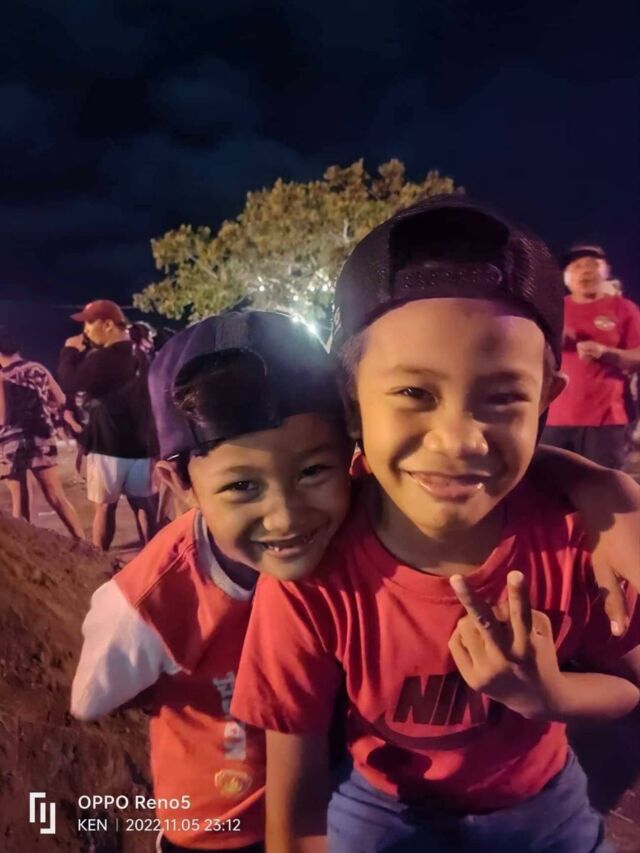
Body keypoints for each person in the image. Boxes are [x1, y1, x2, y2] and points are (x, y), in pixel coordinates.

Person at [230, 197, 640, 853]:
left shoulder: (573, 536)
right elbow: (296, 801)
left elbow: (627, 685)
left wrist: (551, 694)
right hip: (385, 808)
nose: (458, 440)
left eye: (503, 397)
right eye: (414, 393)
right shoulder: (313, 569)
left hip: (545, 804)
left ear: (545, 400)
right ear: (350, 398)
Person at [70, 311, 353, 853]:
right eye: (243, 486)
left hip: (337, 805)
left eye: (313, 471)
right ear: (179, 482)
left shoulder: (357, 536)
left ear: (349, 455)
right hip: (220, 829)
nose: (285, 517)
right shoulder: (155, 599)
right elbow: (90, 698)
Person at [58, 300, 159, 550]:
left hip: (108, 445)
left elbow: (71, 382)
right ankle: (153, 559)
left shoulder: (105, 357)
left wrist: (69, 351)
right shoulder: (141, 355)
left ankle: (100, 561)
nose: (86, 331)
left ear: (107, 325)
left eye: (89, 323)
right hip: (141, 446)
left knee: (104, 507)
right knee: (143, 505)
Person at [543, 245, 640, 468]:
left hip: (606, 419)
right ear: (567, 278)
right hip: (555, 417)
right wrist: (552, 341)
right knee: (550, 484)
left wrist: (607, 353)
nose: (585, 271)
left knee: (603, 484)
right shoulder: (554, 308)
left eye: (592, 265)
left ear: (605, 272)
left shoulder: (624, 308)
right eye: (577, 267)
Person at [0, 330, 84, 538]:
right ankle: (83, 541)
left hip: (12, 442)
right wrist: (44, 404)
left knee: (21, 501)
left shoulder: (2, 377)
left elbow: (2, 417)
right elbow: (61, 399)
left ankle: (27, 549)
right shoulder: (37, 368)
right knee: (56, 496)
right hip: (41, 436)